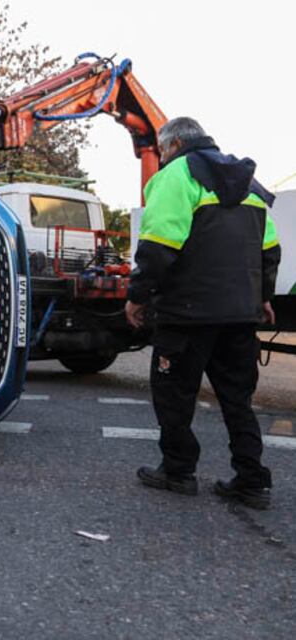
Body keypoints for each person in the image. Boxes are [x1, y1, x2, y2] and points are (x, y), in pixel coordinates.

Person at [126, 117, 281, 510]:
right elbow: (270, 250)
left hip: (186, 314)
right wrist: (263, 297)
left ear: (175, 144)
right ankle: (251, 480)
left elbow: (159, 245)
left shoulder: (176, 175)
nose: (161, 157)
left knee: (174, 395)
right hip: (240, 315)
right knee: (238, 399)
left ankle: (178, 471)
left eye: (162, 150)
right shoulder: (248, 182)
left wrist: (137, 296)